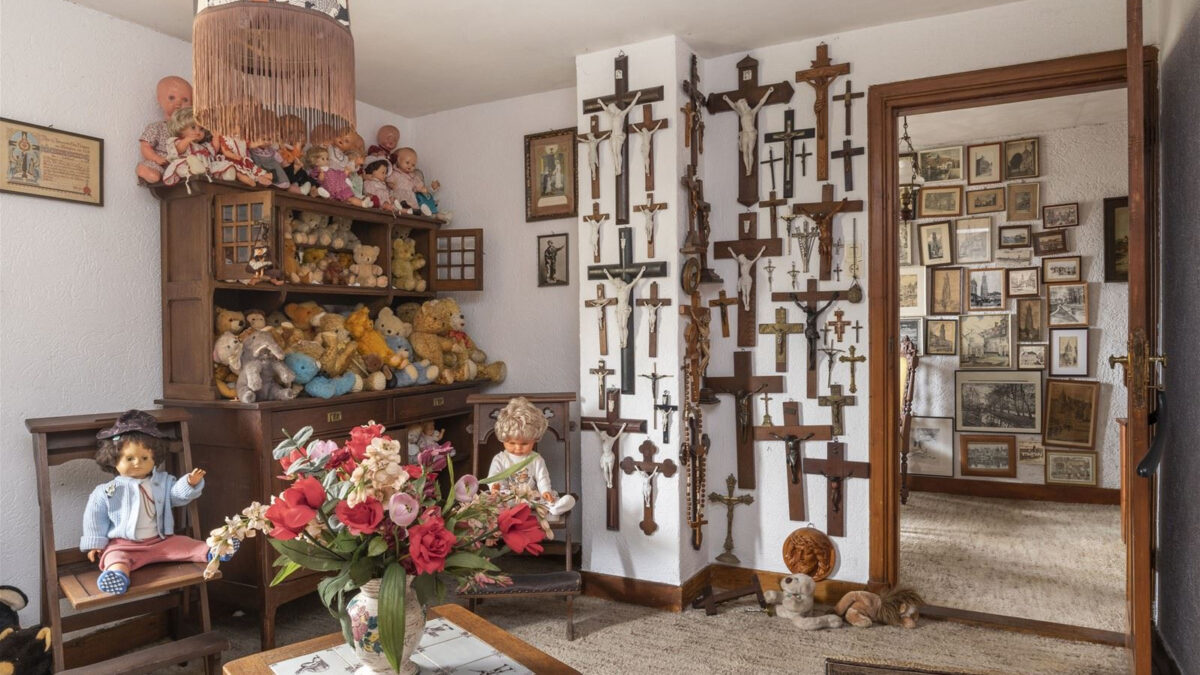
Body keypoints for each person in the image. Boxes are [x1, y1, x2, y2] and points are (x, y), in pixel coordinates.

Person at [81, 410, 234, 595]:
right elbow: (94, 519)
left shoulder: (162, 482)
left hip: (161, 541)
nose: (137, 463)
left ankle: (216, 551)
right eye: (129, 458)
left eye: (145, 458)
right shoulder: (106, 491)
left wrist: (188, 483)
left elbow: (176, 496)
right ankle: (117, 576)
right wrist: (95, 544)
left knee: (186, 544)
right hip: (125, 545)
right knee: (114, 557)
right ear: (113, 460)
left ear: (154, 458)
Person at [488, 397, 575, 517]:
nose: (518, 448)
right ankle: (506, 510)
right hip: (509, 497)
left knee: (557, 499)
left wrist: (545, 491)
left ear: (534, 439)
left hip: (531, 497)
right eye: (512, 443)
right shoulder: (500, 459)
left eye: (524, 443)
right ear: (503, 439)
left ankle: (555, 507)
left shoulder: (535, 459)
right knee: (496, 501)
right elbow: (494, 476)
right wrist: (495, 486)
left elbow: (542, 478)